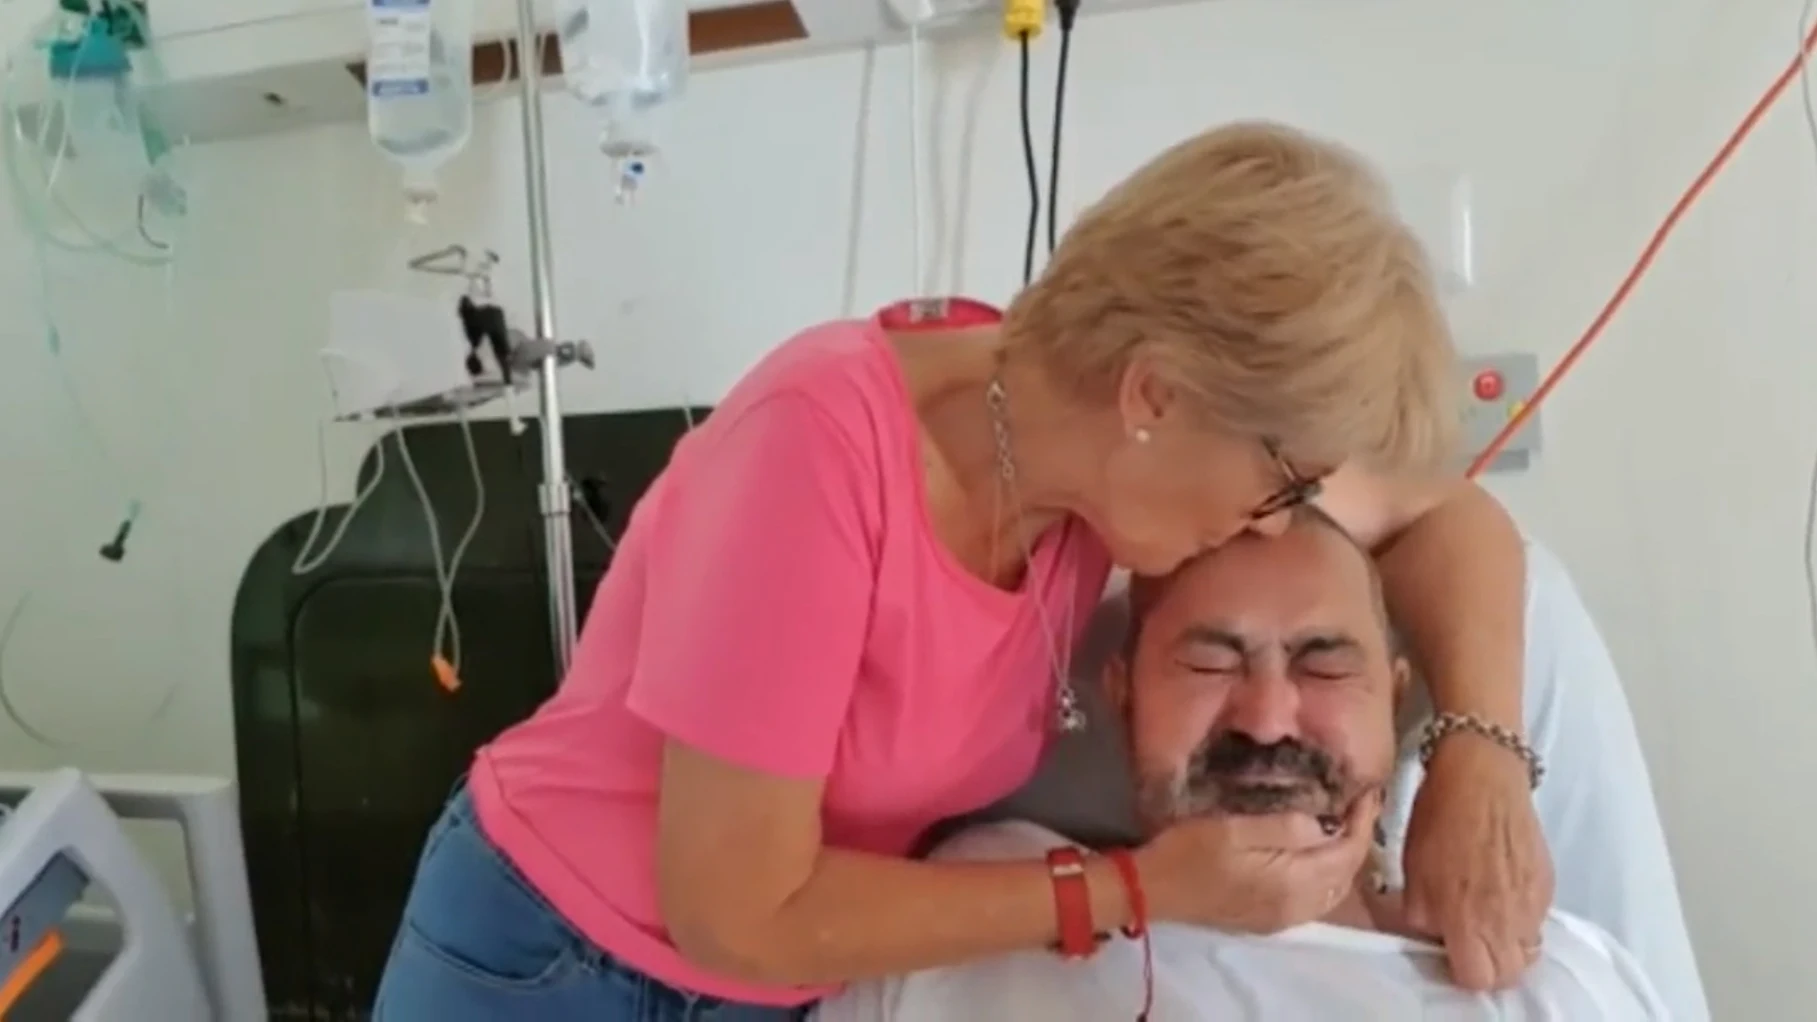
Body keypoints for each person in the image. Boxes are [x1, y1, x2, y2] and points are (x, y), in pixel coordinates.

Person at [372, 121, 1546, 1021]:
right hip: (551, 959)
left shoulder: (1097, 470)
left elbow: (1456, 517)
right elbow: (733, 908)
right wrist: (1145, 891)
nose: (1271, 520)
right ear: (1154, 394)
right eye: (1280, 480)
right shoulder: (819, 449)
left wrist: (1477, 761)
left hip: (792, 977)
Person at [814, 508, 1670, 1021]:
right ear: (1121, 695)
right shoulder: (970, 915)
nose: (1265, 719)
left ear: (1394, 696)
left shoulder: (1548, 990)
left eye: (1324, 663)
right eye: (1209, 663)